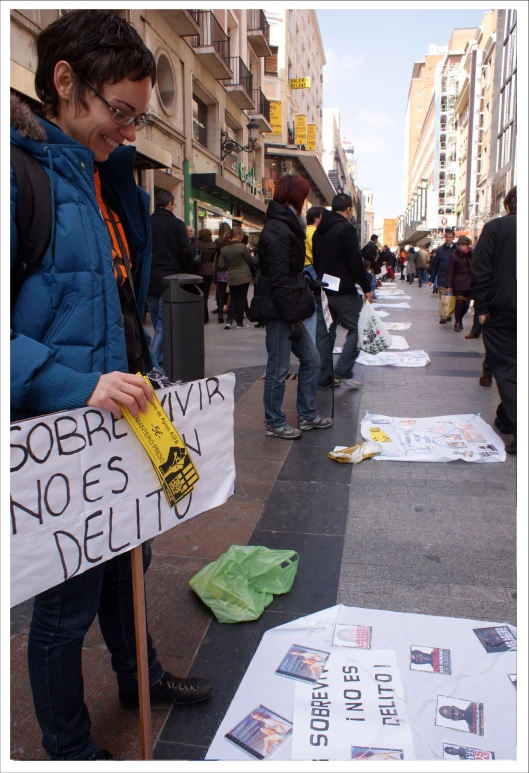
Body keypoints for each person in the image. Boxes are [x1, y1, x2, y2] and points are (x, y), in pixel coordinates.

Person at [10, 11, 213, 761]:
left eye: (138, 116)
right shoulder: (17, 175)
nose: (128, 131)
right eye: (117, 112)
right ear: (64, 82)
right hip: (55, 430)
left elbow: (118, 298)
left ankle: (140, 676)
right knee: (63, 609)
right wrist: (72, 382)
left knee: (133, 557)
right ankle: (68, 747)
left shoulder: (110, 179)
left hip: (124, 417)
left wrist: (141, 362)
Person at [249, 174, 333, 438]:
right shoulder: (277, 229)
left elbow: (288, 275)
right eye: (304, 195)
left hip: (289, 307)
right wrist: (292, 318)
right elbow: (278, 280)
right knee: (278, 368)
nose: (306, 200)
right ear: (295, 196)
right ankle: (274, 421)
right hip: (280, 310)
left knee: (312, 359)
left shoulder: (287, 225)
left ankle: (307, 415)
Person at [471, 186, 516, 454]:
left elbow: (482, 267)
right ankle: (505, 417)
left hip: (504, 310)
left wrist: (482, 306)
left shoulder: (497, 228)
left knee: (508, 369)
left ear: (508, 205)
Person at [313, 193, 373, 390]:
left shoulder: (319, 231)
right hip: (343, 291)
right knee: (360, 327)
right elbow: (355, 261)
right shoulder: (346, 228)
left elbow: (317, 260)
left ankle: (323, 377)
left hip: (323, 288)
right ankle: (343, 370)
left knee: (325, 334)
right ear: (348, 210)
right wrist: (366, 286)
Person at [148, 189, 192, 364]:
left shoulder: (147, 223)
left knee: (157, 323)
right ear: (170, 204)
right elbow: (186, 252)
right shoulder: (177, 225)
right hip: (171, 279)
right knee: (163, 326)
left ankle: (160, 359)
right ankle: (152, 363)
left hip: (151, 280)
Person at [218, 226, 253, 329]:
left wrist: (229, 266)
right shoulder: (242, 247)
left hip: (232, 276)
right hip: (244, 276)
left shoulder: (224, 249)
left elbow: (220, 265)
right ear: (238, 235)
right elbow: (249, 260)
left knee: (233, 298)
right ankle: (239, 322)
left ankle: (229, 321)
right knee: (241, 298)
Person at [303, 206, 325, 343]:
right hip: (311, 270)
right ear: (316, 218)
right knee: (314, 308)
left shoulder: (306, 231)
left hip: (305, 269)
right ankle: (312, 343)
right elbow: (319, 253)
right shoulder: (313, 232)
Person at [429, 230, 457, 323]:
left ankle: (449, 313)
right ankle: (443, 316)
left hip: (454, 276)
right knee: (443, 295)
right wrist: (431, 279)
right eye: (447, 237)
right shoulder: (440, 250)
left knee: (452, 296)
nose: (448, 239)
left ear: (453, 237)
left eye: (450, 237)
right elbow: (435, 265)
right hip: (443, 276)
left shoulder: (457, 249)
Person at [446, 235, 473, 332]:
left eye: (463, 245)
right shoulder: (454, 256)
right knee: (460, 302)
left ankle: (460, 319)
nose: (460, 247)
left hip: (470, 283)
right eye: (459, 245)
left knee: (466, 304)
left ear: (467, 245)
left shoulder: (472, 254)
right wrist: (449, 285)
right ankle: (457, 322)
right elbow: (450, 271)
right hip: (458, 283)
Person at [197, 228, 217, 323]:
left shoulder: (197, 244)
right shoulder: (214, 245)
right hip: (209, 271)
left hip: (199, 271)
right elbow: (213, 259)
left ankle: (201, 316)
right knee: (205, 294)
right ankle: (206, 316)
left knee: (199, 294)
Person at [213, 221, 231, 323]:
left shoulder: (217, 242)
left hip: (221, 270)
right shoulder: (231, 242)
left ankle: (220, 314)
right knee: (232, 291)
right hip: (231, 268)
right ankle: (231, 313)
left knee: (221, 291)